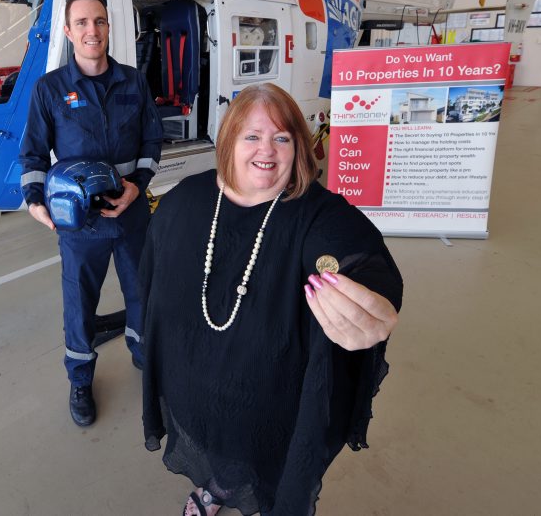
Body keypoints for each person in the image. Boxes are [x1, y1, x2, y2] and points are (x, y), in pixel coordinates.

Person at [140, 83, 402, 515]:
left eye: (282, 137)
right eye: (253, 137)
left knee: (269, 471)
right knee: (214, 451)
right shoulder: (186, 198)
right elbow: (152, 276)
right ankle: (216, 489)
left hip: (270, 396)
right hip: (196, 383)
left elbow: (360, 260)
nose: (268, 150)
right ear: (229, 141)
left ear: (299, 146)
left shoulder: (315, 213)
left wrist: (376, 303)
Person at [19, 0, 163, 427]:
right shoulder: (50, 90)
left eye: (98, 22)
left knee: (143, 290)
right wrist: (34, 200)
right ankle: (80, 378)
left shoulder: (134, 82)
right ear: (68, 31)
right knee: (79, 303)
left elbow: (152, 143)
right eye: (81, 23)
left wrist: (137, 188)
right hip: (80, 224)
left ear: (108, 27)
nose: (91, 31)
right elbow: (32, 156)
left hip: (132, 213)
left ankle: (144, 355)